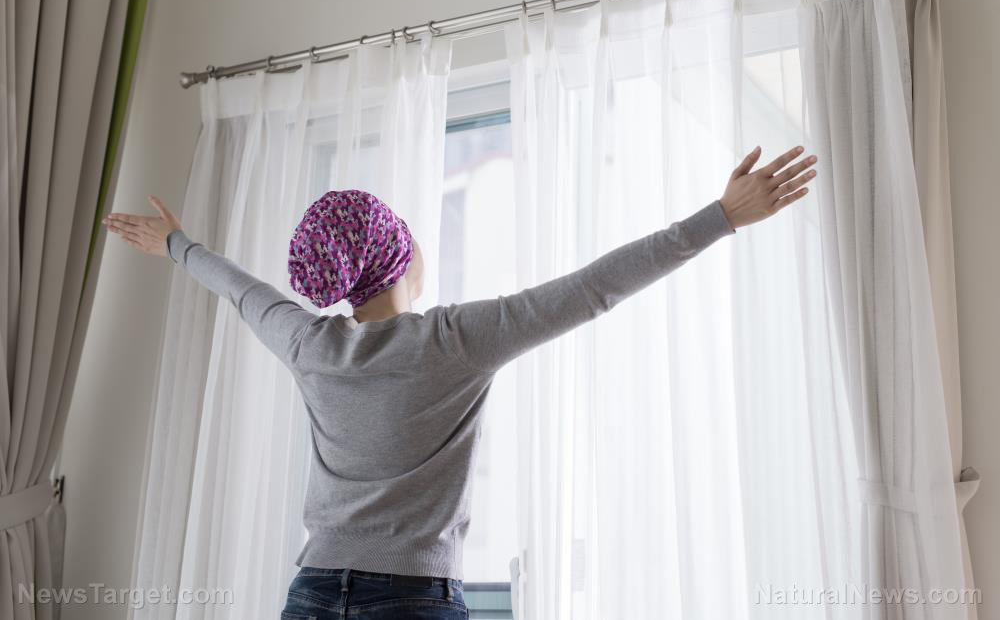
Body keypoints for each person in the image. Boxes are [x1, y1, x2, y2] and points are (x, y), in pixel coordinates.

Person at [104, 144, 817, 619]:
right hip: (412, 601)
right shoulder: (456, 341)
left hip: (312, 594)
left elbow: (239, 289)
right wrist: (721, 217)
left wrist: (176, 244)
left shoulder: (309, 342)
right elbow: (593, 288)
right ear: (398, 255)